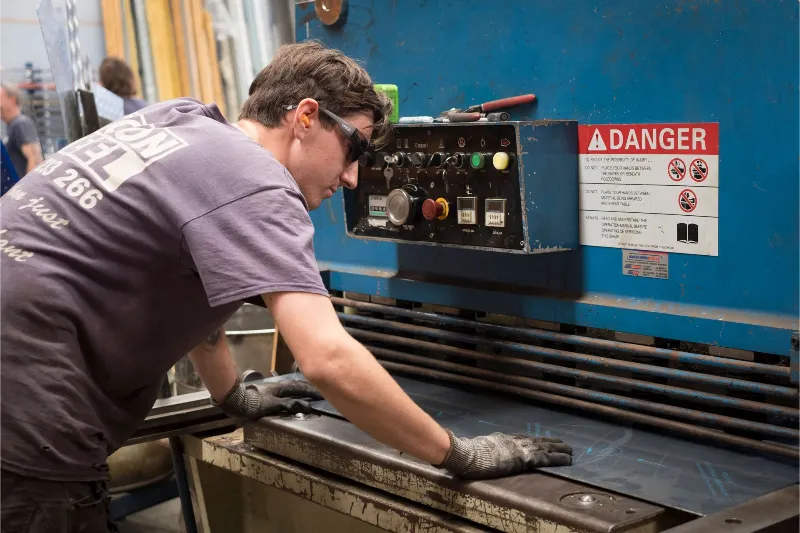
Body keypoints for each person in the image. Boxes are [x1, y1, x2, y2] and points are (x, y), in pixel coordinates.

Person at [0, 41, 572, 531]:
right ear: (304, 117)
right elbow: (326, 359)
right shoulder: (259, 183)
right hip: (27, 412)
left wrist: (231, 396)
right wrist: (459, 454)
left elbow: (194, 289)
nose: (351, 177)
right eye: (356, 147)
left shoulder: (181, 122)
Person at [1, 83, 43, 178]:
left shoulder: (21, 123)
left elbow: (35, 158)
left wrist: (27, 190)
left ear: (12, 100)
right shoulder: (11, 126)